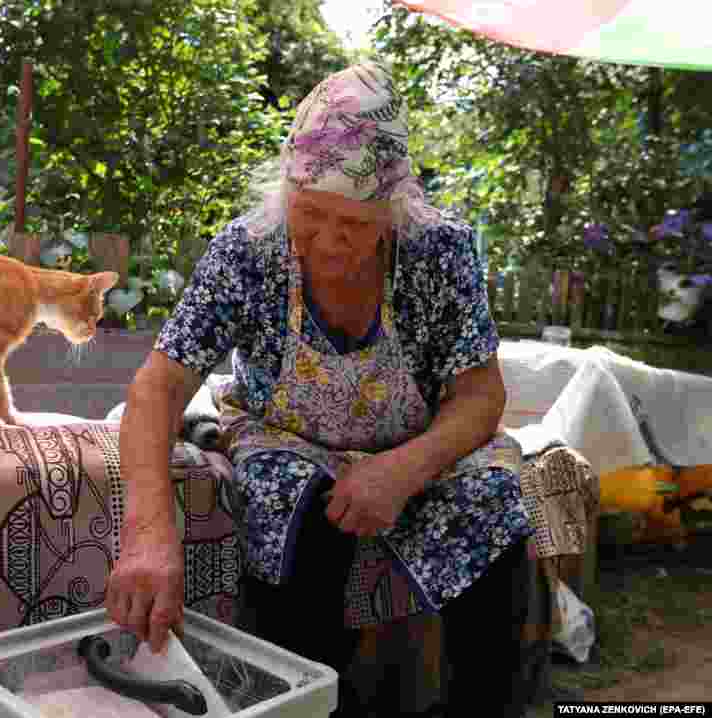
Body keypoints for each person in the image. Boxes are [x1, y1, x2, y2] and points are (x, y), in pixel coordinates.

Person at [105, 60, 534, 717]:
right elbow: (158, 386)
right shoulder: (247, 252)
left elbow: (481, 396)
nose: (330, 242)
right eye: (311, 215)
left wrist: (402, 471)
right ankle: (303, 705)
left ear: (395, 212)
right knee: (295, 507)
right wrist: (148, 532)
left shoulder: (441, 251)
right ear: (286, 194)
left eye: (356, 225)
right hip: (286, 435)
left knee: (494, 500)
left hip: (411, 441)